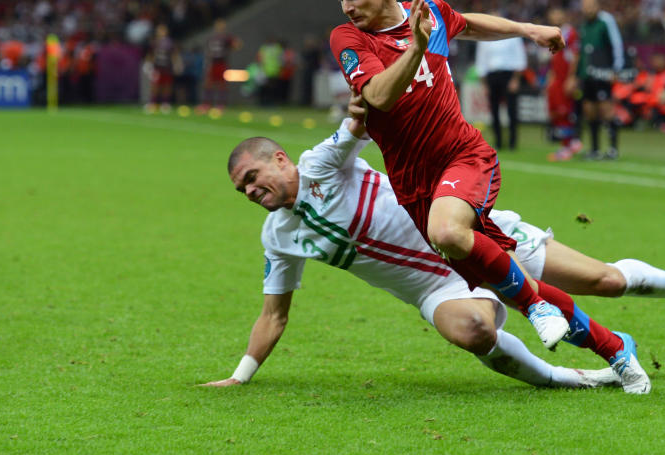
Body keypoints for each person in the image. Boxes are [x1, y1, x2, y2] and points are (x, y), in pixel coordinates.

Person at [216, 117, 642, 392]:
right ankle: (569, 379)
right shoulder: (277, 236)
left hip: (467, 237)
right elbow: (274, 314)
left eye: (252, 178)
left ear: (279, 159)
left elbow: (362, 117)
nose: (250, 191)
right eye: (242, 190)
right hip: (435, 288)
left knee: (607, 281)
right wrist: (240, 376)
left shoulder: (321, 163)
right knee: (475, 330)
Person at [323, 0, 586, 359]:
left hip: (463, 160)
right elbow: (378, 96)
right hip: (415, 186)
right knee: (498, 269)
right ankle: (608, 343)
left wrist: (527, 29)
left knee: (452, 234)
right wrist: (416, 48)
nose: (347, 7)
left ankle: (547, 311)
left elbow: (467, 22)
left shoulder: (430, 14)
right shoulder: (348, 37)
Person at [576, 0, 625, 159]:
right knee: (590, 110)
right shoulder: (583, 25)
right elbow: (580, 51)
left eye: (590, 4)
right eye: (584, 5)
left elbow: (616, 44)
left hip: (603, 72)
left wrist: (616, 69)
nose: (587, 8)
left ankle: (612, 149)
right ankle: (595, 149)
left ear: (597, 5)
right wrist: (577, 74)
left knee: (606, 109)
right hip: (587, 74)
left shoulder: (606, 21)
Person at [474, 32, 527, 150]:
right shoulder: (484, 38)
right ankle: (498, 141)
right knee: (494, 110)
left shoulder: (512, 36)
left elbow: (519, 57)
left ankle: (513, 142)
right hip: (491, 75)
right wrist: (484, 84)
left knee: (512, 110)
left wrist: (516, 79)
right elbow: (481, 60)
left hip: (508, 74)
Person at [545, 8, 582, 161]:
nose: (555, 16)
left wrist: (572, 77)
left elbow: (575, 56)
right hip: (557, 78)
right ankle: (572, 142)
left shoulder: (570, 33)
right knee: (555, 111)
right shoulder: (552, 33)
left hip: (565, 78)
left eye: (558, 13)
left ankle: (566, 147)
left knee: (563, 112)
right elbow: (556, 57)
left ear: (564, 15)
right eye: (552, 13)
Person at [200, 19, 242, 112]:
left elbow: (237, 44)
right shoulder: (211, 38)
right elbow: (208, 51)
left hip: (222, 63)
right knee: (208, 83)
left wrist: (233, 46)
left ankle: (220, 104)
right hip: (212, 63)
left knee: (222, 84)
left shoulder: (226, 37)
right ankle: (206, 104)